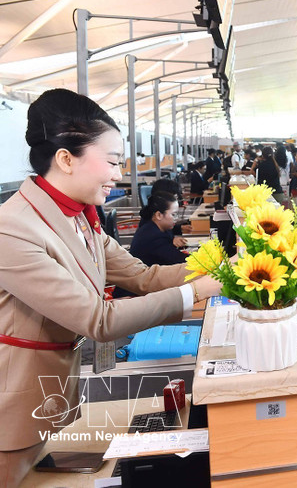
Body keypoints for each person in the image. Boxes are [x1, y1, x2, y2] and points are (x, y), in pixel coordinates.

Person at [0, 89, 223, 487]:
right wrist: (196, 291)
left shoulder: (81, 220)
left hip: (56, 397)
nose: (119, 175)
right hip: (13, 411)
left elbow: (143, 276)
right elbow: (96, 319)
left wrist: (220, 269)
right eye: (113, 162)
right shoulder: (13, 228)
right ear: (66, 159)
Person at [129, 192, 188, 266]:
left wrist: (178, 231)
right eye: (173, 214)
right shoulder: (153, 237)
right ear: (159, 215)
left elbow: (169, 232)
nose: (176, 218)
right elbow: (180, 260)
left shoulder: (151, 225)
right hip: (147, 276)